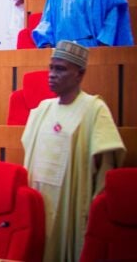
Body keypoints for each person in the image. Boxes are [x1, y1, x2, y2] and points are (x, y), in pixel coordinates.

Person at [22, 40, 126, 262]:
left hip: (72, 203)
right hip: (39, 200)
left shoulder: (94, 109)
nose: (52, 74)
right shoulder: (42, 109)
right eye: (51, 67)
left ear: (79, 74)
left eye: (60, 69)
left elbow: (106, 166)